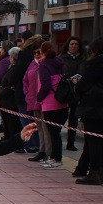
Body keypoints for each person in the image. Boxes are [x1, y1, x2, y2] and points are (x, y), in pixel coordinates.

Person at [73, 36, 103, 185]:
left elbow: (83, 86)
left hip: (94, 107)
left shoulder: (97, 64)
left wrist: (77, 86)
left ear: (96, 50)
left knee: (93, 141)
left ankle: (94, 173)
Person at [36, 41, 69, 169]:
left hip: (50, 102)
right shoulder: (61, 63)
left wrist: (39, 97)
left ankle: (56, 158)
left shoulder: (44, 65)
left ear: (42, 52)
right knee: (56, 132)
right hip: (62, 101)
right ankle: (55, 157)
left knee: (52, 132)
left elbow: (46, 84)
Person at [61, 37, 86, 151]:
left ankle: (71, 142)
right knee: (62, 117)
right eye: (72, 44)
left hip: (77, 92)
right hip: (65, 91)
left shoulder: (83, 59)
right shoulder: (62, 58)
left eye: (76, 44)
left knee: (74, 119)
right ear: (68, 45)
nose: (74, 46)